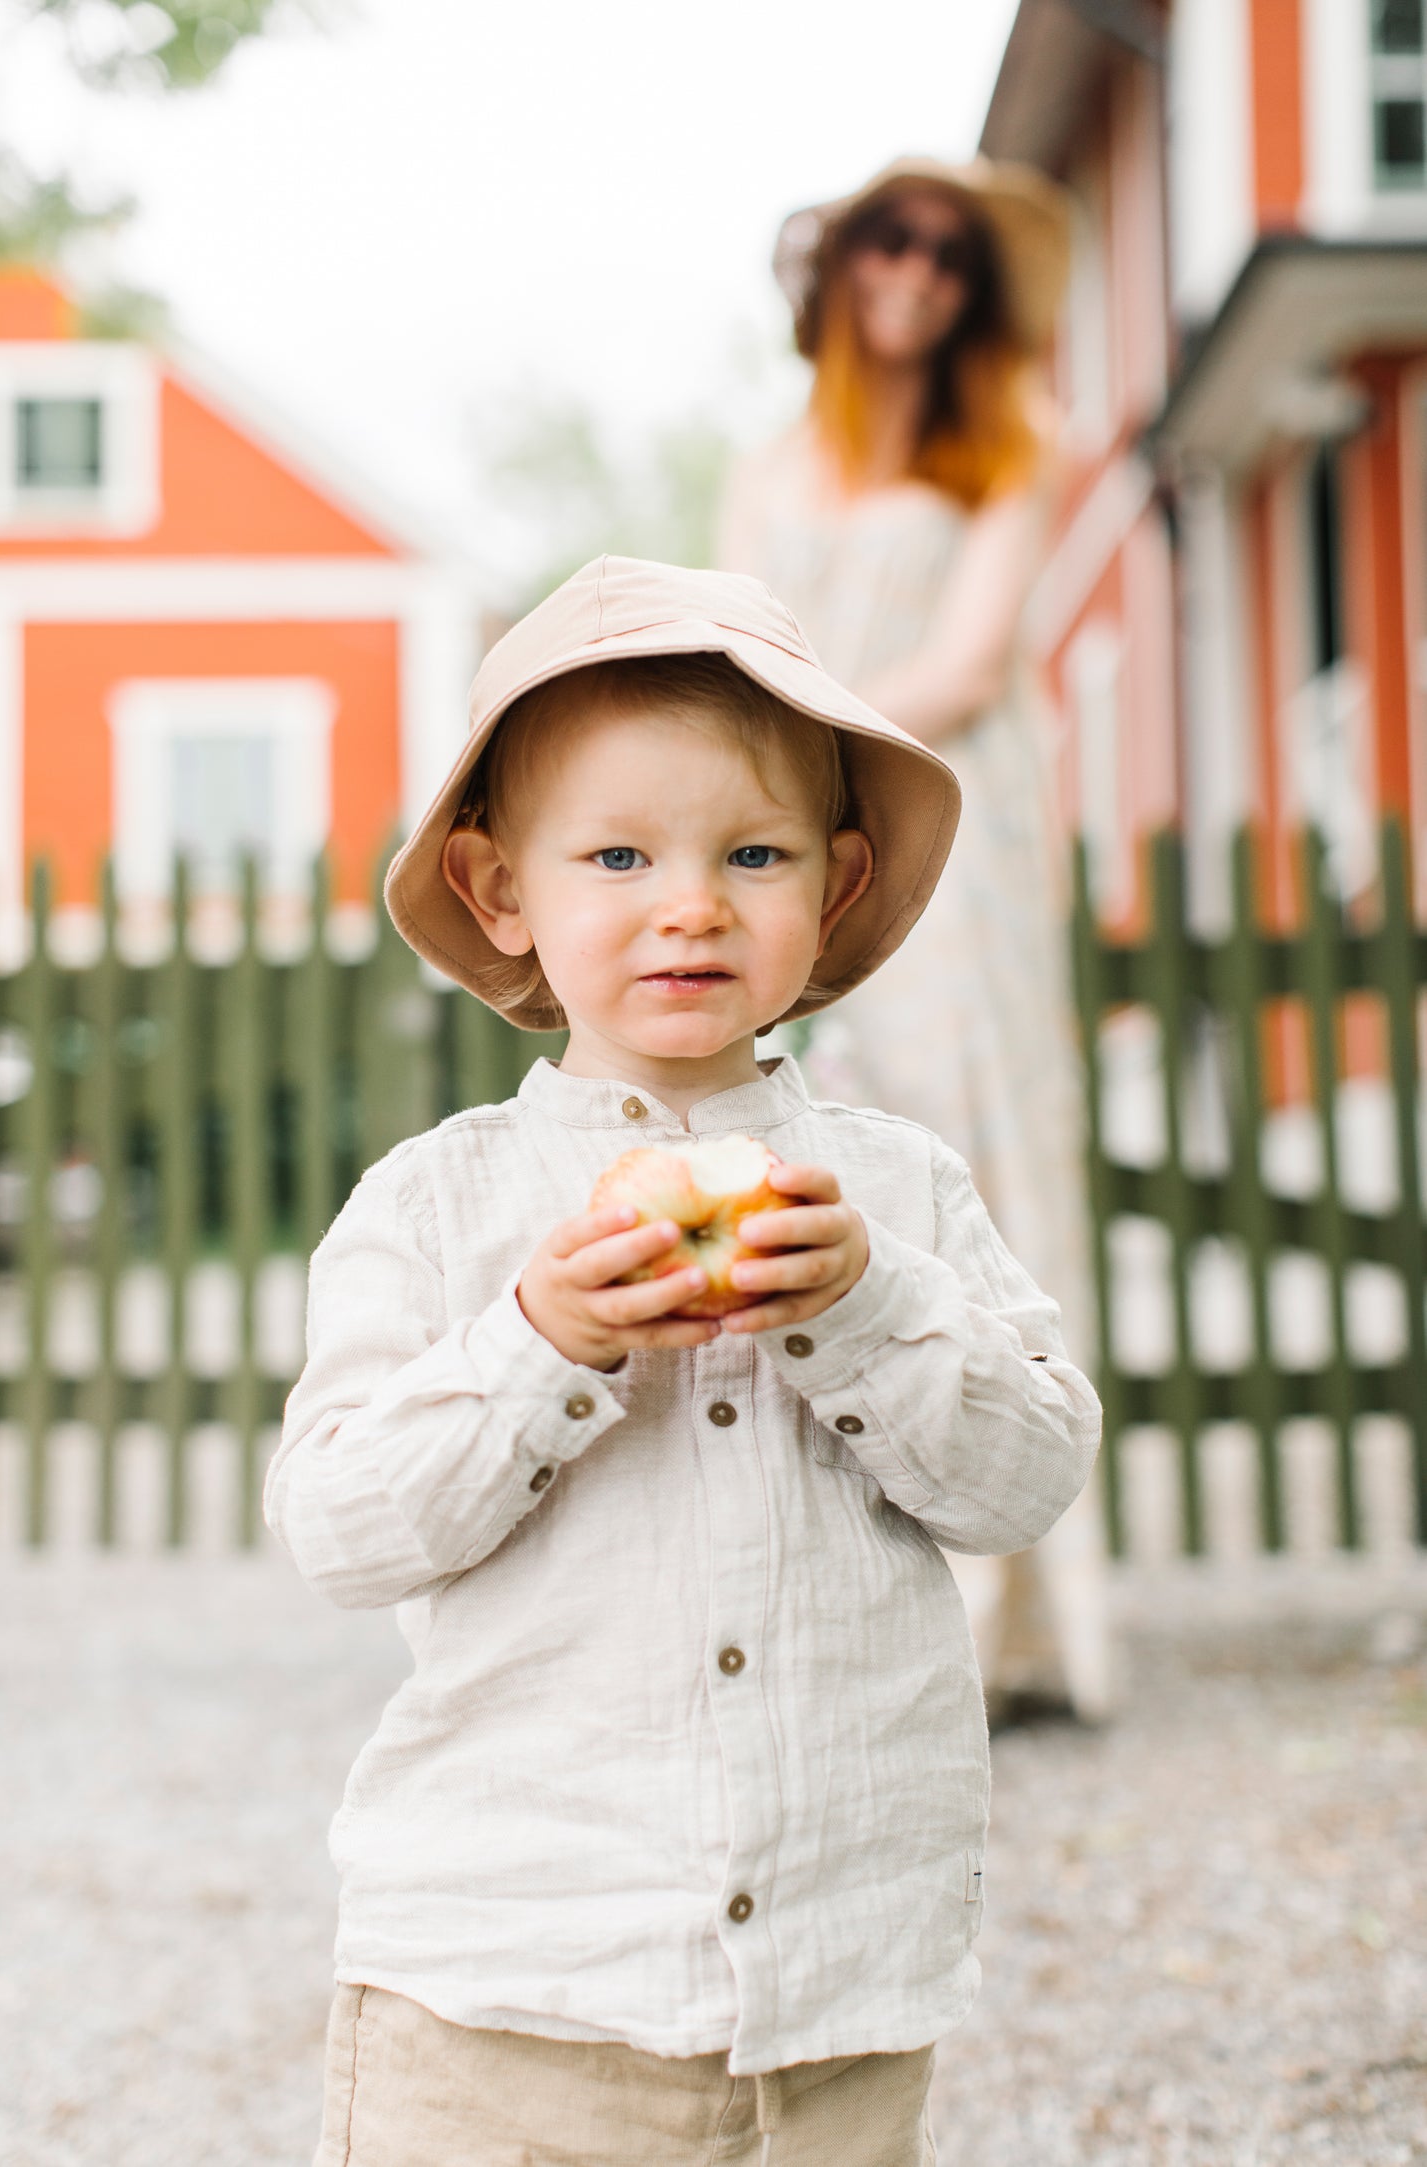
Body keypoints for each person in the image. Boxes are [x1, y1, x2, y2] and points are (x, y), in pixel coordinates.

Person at [266, 556, 1100, 2167]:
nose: (692, 901)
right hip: (505, 2005)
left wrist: (862, 1306)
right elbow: (343, 1530)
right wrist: (536, 1343)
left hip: (831, 2003)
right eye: (619, 854)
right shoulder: (439, 1210)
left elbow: (1024, 1480)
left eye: (755, 852)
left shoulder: (896, 1192)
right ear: (502, 892)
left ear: (837, 887)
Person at [720, 156, 1111, 1723]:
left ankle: (1022, 1614)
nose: (918, 271)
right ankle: (850, 1597)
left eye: (950, 254)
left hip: (951, 819)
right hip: (806, 819)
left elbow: (964, 662)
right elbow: (738, 641)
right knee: (824, 1150)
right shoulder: (761, 471)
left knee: (977, 1151)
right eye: (891, 238)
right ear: (839, 269)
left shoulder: (1007, 454)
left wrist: (821, 764)